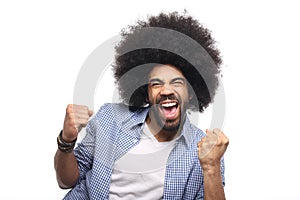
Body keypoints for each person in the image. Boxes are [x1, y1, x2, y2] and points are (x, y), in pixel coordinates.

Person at [54, 11, 229, 200]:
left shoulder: (205, 150)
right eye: (156, 83)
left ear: (191, 92)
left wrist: (211, 167)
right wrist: (67, 140)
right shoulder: (109, 118)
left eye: (177, 82)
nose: (167, 90)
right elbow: (66, 181)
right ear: (146, 92)